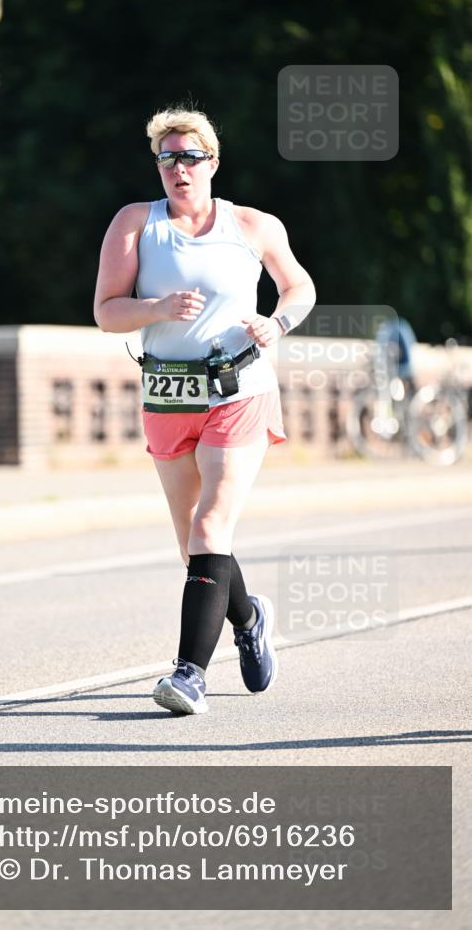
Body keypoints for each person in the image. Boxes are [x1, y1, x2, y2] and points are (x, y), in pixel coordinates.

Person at [93, 106, 316, 715]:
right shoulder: (136, 223)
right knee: (195, 547)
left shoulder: (251, 225)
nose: (179, 169)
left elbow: (300, 285)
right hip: (167, 395)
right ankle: (249, 618)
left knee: (212, 527)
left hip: (238, 390)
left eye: (190, 157)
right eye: (167, 158)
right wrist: (157, 308)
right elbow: (107, 312)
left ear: (213, 162)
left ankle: (188, 674)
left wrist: (277, 323)